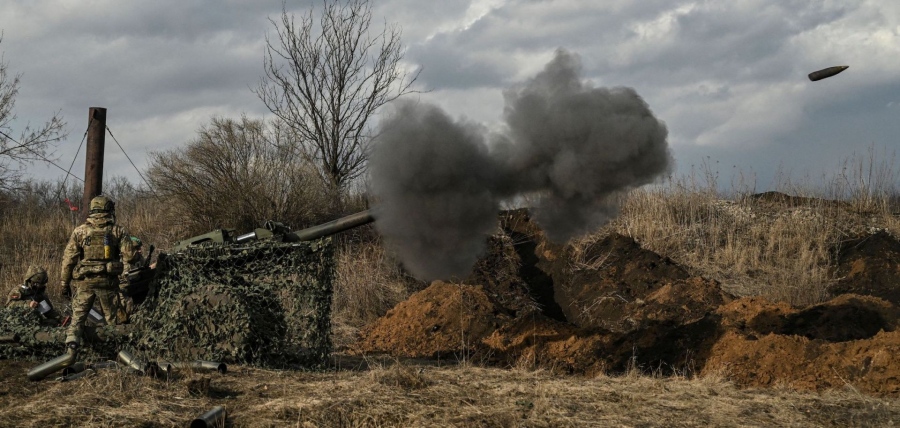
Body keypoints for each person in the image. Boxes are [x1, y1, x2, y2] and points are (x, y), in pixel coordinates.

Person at [60, 195, 136, 354]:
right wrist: (124, 277)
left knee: (77, 320)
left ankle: (71, 350)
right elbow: (130, 257)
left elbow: (68, 260)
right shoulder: (117, 230)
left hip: (85, 283)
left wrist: (64, 284)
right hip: (108, 283)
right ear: (109, 209)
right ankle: (117, 353)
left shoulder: (79, 231)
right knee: (112, 322)